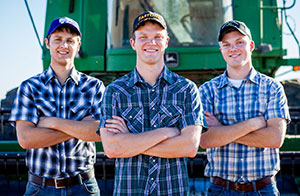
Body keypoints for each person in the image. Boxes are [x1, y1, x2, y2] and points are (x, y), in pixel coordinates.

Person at [98, 11, 204, 195]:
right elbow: (112, 149)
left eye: (157, 37)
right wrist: (167, 132)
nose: (151, 42)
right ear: (133, 43)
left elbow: (189, 147)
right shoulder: (115, 92)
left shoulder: (186, 90)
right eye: (143, 37)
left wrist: (130, 142)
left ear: (166, 42)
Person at [9, 17, 104, 195]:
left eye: (70, 40)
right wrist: (80, 126)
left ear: (78, 45)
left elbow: (100, 132)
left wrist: (51, 122)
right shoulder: (30, 87)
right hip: (40, 188)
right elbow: (26, 139)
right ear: (47, 43)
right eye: (58, 39)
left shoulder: (94, 86)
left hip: (84, 187)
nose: (64, 45)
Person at [199, 20, 290, 195]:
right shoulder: (207, 90)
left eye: (239, 42)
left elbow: (274, 138)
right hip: (221, 189)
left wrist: (222, 131)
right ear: (222, 50)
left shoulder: (272, 88)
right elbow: (205, 140)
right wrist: (254, 123)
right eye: (227, 44)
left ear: (251, 45)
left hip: (263, 189)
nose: (233, 48)